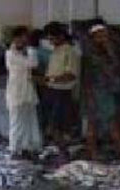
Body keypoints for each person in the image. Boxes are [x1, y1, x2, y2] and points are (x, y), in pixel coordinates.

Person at [82, 24, 120, 160]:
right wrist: (89, 96)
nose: (104, 38)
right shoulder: (91, 55)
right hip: (98, 92)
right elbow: (87, 77)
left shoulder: (109, 51)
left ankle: (93, 153)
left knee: (98, 124)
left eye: (105, 35)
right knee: (108, 123)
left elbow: (118, 69)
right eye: (100, 35)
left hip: (107, 91)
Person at [5, 27, 41, 160]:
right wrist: (27, 52)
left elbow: (34, 64)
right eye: (23, 36)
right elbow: (28, 64)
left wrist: (28, 51)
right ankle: (14, 149)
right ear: (16, 38)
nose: (26, 39)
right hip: (16, 91)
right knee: (16, 121)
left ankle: (29, 147)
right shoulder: (10, 53)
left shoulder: (30, 51)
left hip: (28, 90)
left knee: (30, 120)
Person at [45, 22, 79, 156]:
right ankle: (57, 147)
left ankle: (64, 149)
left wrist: (51, 79)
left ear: (61, 36)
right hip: (52, 90)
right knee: (53, 123)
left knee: (62, 123)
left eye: (52, 38)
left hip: (63, 91)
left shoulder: (70, 51)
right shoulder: (55, 51)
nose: (50, 42)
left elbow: (71, 75)